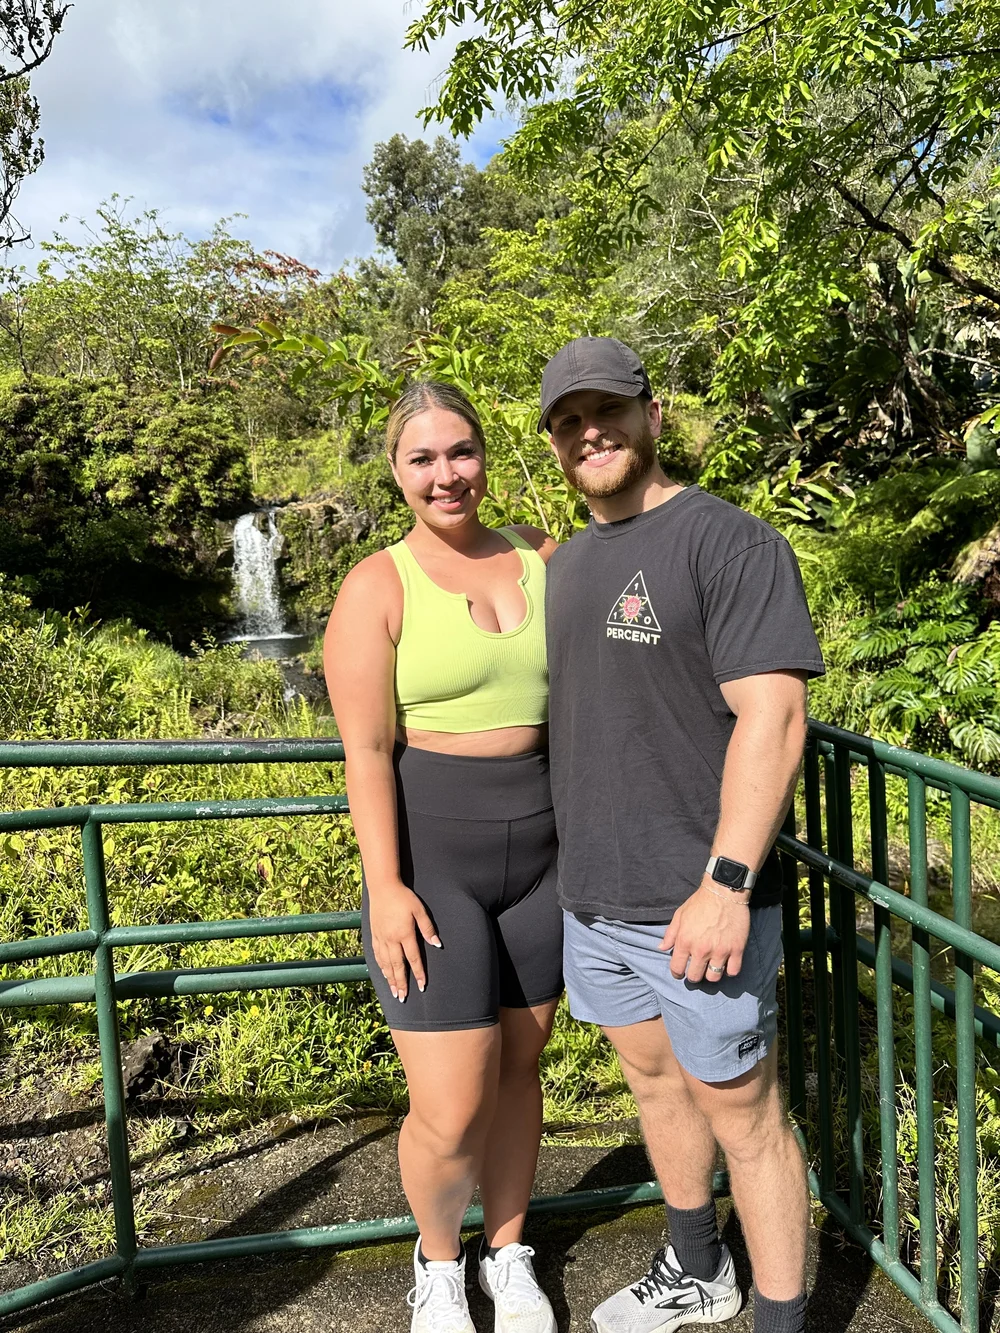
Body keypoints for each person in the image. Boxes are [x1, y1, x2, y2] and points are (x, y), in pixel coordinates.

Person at [540, 337, 825, 1333]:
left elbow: (773, 716)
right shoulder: (567, 562)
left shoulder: (729, 542)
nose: (591, 432)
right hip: (598, 902)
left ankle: (780, 1322)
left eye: (607, 410)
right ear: (554, 443)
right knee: (654, 1084)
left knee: (746, 1118)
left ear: (651, 417)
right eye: (569, 421)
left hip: (702, 901)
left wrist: (727, 881)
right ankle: (697, 1268)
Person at [324, 381, 561, 1333]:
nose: (445, 474)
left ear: (484, 454)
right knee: (450, 1103)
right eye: (422, 458)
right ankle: (437, 1260)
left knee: (519, 1071)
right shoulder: (376, 584)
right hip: (434, 866)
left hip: (545, 859)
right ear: (396, 471)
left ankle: (509, 1254)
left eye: (459, 451)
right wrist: (384, 886)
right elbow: (367, 751)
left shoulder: (548, 561)